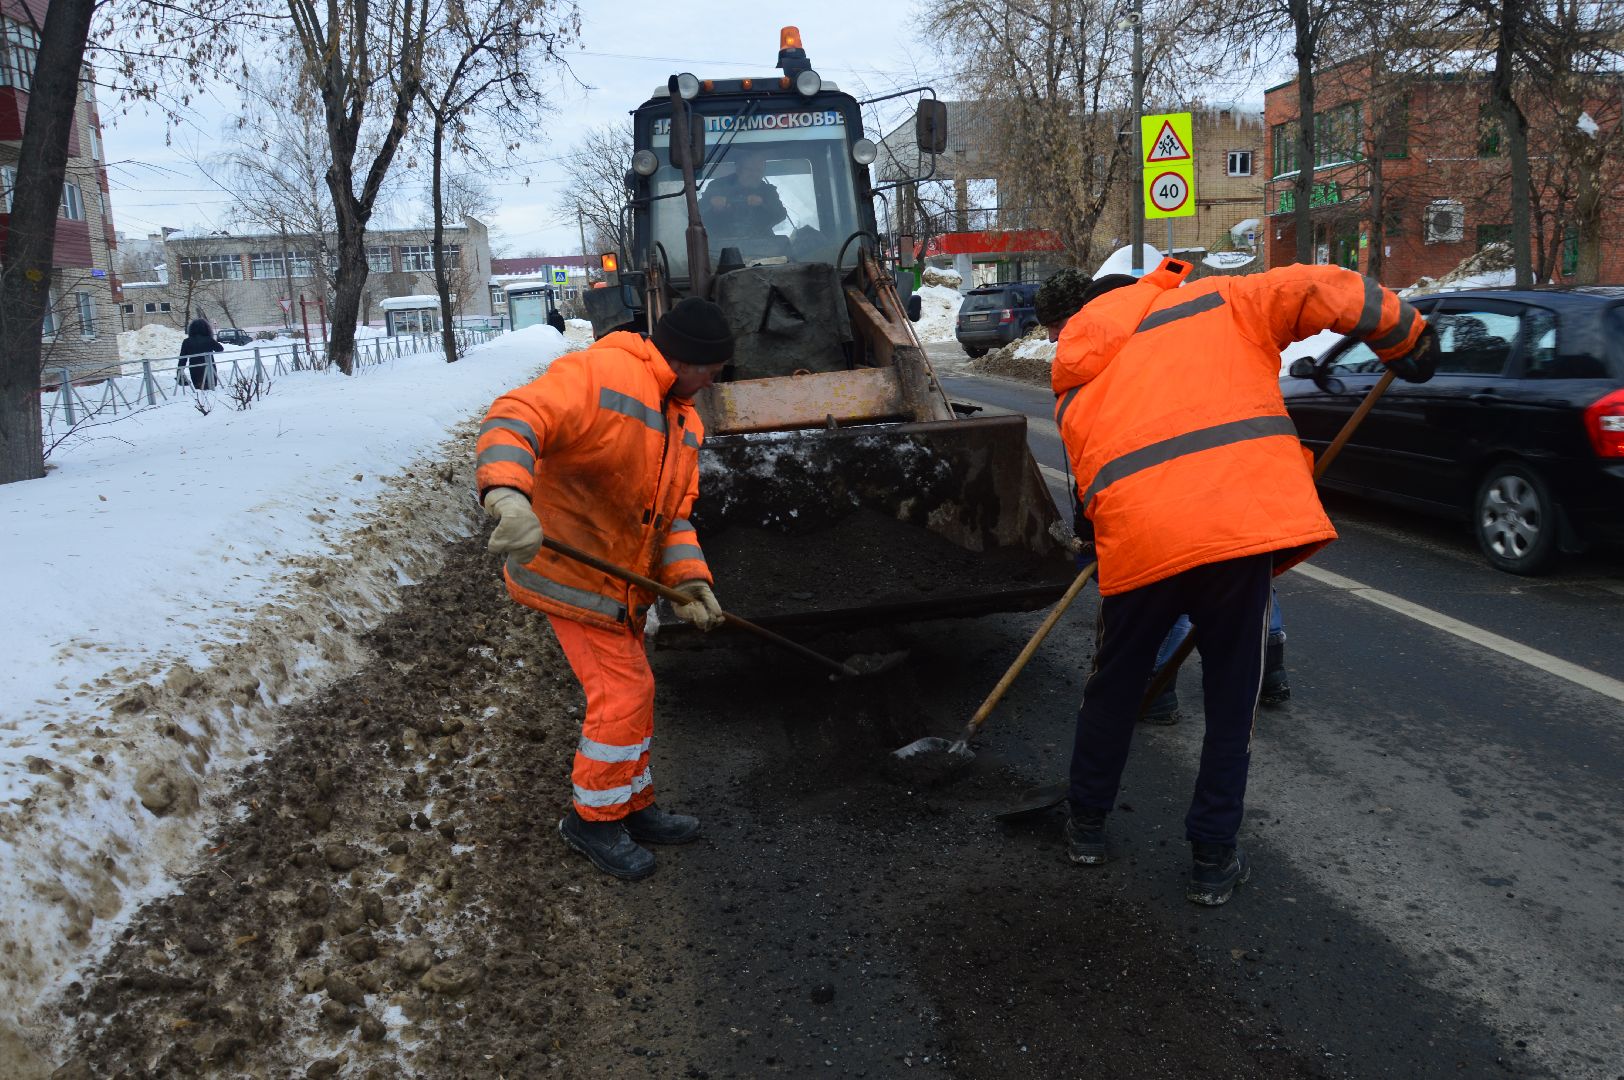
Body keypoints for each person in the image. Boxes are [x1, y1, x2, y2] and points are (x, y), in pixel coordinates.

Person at [1052, 256, 1435, 905]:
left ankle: (1085, 826)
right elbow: (1324, 288)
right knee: (1233, 703)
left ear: (1094, 309)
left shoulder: (1076, 364)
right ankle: (1212, 859)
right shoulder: (1223, 299)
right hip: (1236, 526)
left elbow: (1087, 473)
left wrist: (1100, 539)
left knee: (1113, 685)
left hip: (1143, 535)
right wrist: (1406, 336)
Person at [475, 296, 735, 881]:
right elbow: (515, 415)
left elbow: (673, 518)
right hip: (573, 576)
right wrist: (508, 495)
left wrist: (691, 582)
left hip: (619, 583)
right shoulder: (602, 372)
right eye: (714, 371)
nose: (716, 382)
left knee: (636, 692)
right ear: (689, 359)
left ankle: (630, 805)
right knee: (622, 695)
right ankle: (591, 821)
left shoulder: (683, 418)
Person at [1037, 268, 1293, 724]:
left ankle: (1157, 690)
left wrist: (1091, 528)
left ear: (1084, 313)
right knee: (1249, 570)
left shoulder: (1105, 361)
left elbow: (1096, 462)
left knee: (1169, 575)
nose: (1058, 340)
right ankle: (1269, 671)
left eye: (1058, 327)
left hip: (1178, 493)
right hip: (1242, 472)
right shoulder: (1184, 326)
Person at [702, 150, 788, 238]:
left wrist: (763, 203)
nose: (754, 174)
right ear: (738, 169)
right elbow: (697, 214)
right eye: (750, 169)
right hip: (719, 246)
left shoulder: (768, 191)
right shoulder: (717, 186)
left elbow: (780, 214)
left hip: (760, 243)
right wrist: (712, 206)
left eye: (758, 170)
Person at [178, 318, 223, 390]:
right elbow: (220, 349)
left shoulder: (186, 341)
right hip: (210, 369)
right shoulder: (209, 339)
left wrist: (179, 373)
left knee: (199, 389)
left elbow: (182, 359)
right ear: (206, 328)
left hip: (195, 369)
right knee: (211, 389)